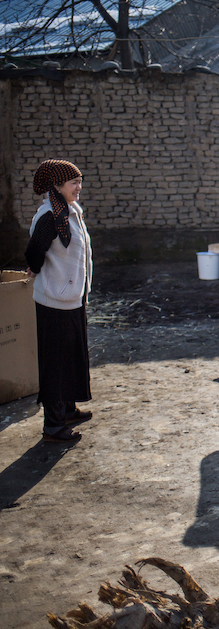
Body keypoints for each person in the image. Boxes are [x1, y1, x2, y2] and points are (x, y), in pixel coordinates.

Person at [24, 159, 94, 444]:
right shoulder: (49, 217)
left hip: (72, 298)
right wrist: (35, 269)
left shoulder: (70, 211)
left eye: (79, 181)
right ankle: (53, 426)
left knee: (73, 357)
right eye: (73, 183)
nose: (79, 187)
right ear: (57, 185)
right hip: (54, 301)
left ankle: (68, 409)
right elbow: (34, 254)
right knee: (56, 363)